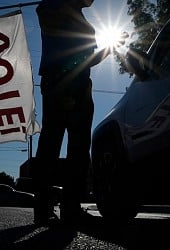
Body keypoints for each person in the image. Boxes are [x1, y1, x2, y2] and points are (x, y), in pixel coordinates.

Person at [33, 0, 117, 226]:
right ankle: (43, 207)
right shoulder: (53, 8)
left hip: (81, 85)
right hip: (61, 83)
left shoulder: (77, 15)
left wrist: (107, 50)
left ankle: (70, 207)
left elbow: (85, 59)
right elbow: (63, 47)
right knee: (52, 144)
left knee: (78, 149)